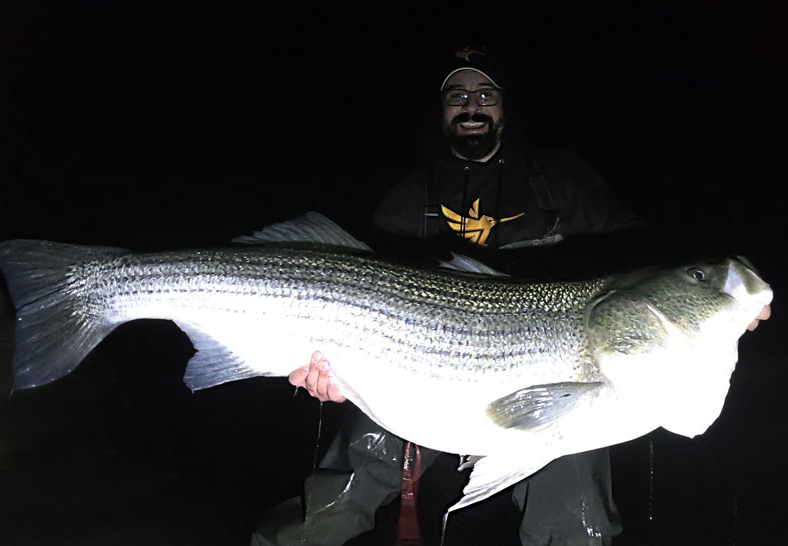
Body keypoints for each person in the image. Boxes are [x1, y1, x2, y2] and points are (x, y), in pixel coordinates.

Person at [252, 47, 770, 546]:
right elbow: (353, 293)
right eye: (457, 96)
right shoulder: (410, 195)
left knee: (575, 518)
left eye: (486, 93)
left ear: (505, 105)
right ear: (441, 111)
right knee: (333, 501)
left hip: (559, 370)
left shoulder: (562, 180)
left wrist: (719, 307)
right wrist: (326, 370)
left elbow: (643, 258)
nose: (472, 105)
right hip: (411, 372)